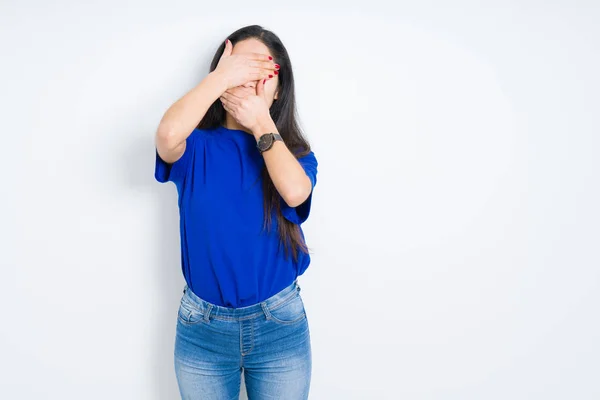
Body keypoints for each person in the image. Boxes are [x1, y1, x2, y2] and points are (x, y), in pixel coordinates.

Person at [154, 25, 318, 399]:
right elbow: (166, 137)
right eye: (240, 69)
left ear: (279, 90)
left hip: (279, 324)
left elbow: (294, 193)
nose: (248, 81)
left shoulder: (295, 155)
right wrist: (222, 78)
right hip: (202, 329)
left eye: (261, 74)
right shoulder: (195, 147)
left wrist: (261, 121)